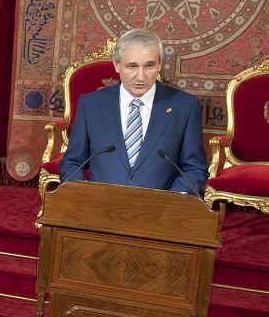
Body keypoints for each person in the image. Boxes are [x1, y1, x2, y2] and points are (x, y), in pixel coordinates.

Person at [60, 28, 209, 194]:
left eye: (149, 66)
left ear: (159, 64)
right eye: (132, 66)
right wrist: (82, 197)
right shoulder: (91, 105)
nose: (140, 76)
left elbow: (194, 169)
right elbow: (73, 163)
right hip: (98, 210)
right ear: (117, 65)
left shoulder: (185, 106)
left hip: (160, 213)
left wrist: (170, 203)